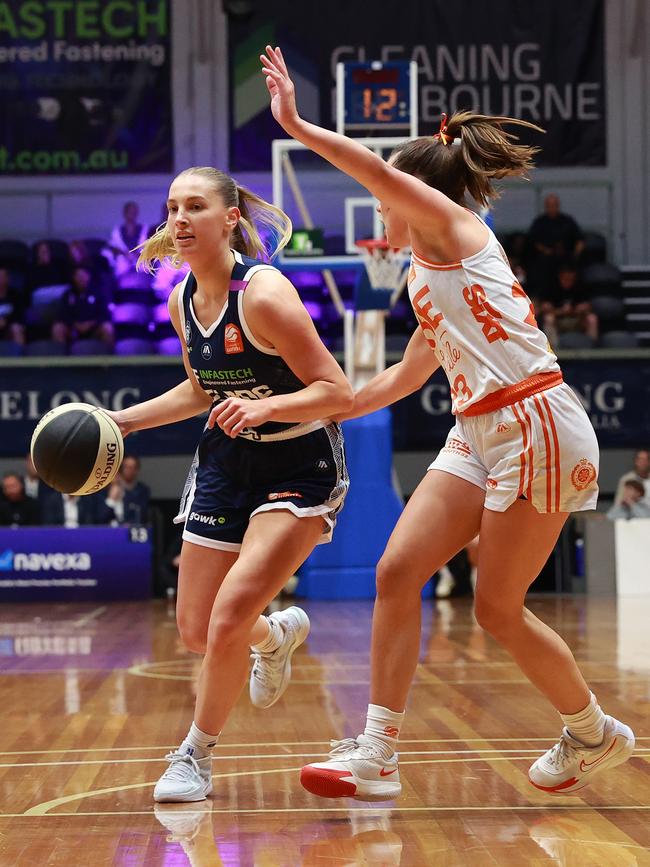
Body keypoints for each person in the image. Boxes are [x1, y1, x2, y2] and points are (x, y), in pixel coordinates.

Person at [259, 45, 635, 799]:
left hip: (538, 424)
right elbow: (396, 380)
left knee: (497, 607)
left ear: (409, 194)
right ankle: (379, 753)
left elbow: (375, 172)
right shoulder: (426, 277)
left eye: (386, 197)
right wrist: (297, 408)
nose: (375, 212)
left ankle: (593, 730)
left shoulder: (452, 229)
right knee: (397, 570)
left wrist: (298, 124)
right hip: (478, 430)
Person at [106, 164, 353, 803]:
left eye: (194, 207)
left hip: (298, 463)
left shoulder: (264, 294)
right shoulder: (180, 298)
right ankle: (276, 638)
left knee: (228, 613)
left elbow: (337, 392)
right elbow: (200, 388)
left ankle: (195, 755)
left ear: (230, 219)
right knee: (195, 629)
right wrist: (122, 422)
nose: (178, 220)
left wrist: (269, 406)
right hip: (225, 462)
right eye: (171, 208)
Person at [526, 194, 585, 292]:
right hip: (547, 258)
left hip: (567, 257)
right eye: (549, 205)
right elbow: (533, 241)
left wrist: (575, 255)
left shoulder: (567, 221)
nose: (552, 208)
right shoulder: (540, 222)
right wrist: (545, 250)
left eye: (554, 205)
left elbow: (580, 240)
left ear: (558, 206)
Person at [51, 266, 114, 348]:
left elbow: (104, 314)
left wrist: (90, 324)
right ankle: (61, 358)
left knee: (108, 328)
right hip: (73, 329)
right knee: (57, 328)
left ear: (88, 276)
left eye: (83, 276)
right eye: (78, 276)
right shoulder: (68, 295)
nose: (81, 279)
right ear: (74, 278)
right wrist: (75, 324)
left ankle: (108, 358)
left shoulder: (98, 293)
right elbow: (62, 314)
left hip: (94, 329)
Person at [538, 262, 598, 346]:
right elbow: (543, 308)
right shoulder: (551, 287)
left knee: (592, 319)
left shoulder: (580, 286)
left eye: (571, 279)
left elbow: (589, 306)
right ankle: (553, 352)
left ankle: (592, 350)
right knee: (548, 319)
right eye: (565, 279)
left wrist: (581, 308)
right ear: (560, 277)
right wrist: (561, 311)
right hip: (558, 321)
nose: (568, 282)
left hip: (576, 319)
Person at [104, 201, 149, 278]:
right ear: (124, 213)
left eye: (134, 212)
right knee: (120, 263)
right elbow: (113, 247)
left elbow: (148, 245)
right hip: (123, 259)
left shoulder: (144, 229)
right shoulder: (117, 230)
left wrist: (137, 255)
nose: (132, 214)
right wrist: (125, 254)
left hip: (139, 258)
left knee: (143, 266)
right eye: (130, 212)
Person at [104, 454, 151, 525]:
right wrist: (111, 499)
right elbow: (100, 518)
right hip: (107, 532)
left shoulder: (142, 490)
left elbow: (141, 514)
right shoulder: (104, 491)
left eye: (133, 467)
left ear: (137, 470)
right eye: (126, 467)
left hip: (130, 529)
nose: (130, 470)